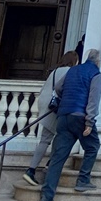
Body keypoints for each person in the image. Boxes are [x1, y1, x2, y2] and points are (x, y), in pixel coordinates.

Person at [39, 48, 101, 201]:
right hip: (80, 117)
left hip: (63, 116)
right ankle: (83, 180)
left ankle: (47, 196)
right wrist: (89, 122)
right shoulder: (95, 74)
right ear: (98, 61)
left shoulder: (73, 70)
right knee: (92, 146)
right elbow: (93, 100)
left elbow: (59, 89)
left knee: (58, 157)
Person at [22, 51, 79, 187]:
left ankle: (43, 166)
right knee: (55, 137)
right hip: (54, 108)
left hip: (45, 104)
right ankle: (33, 169)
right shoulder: (70, 71)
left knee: (53, 136)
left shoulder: (55, 71)